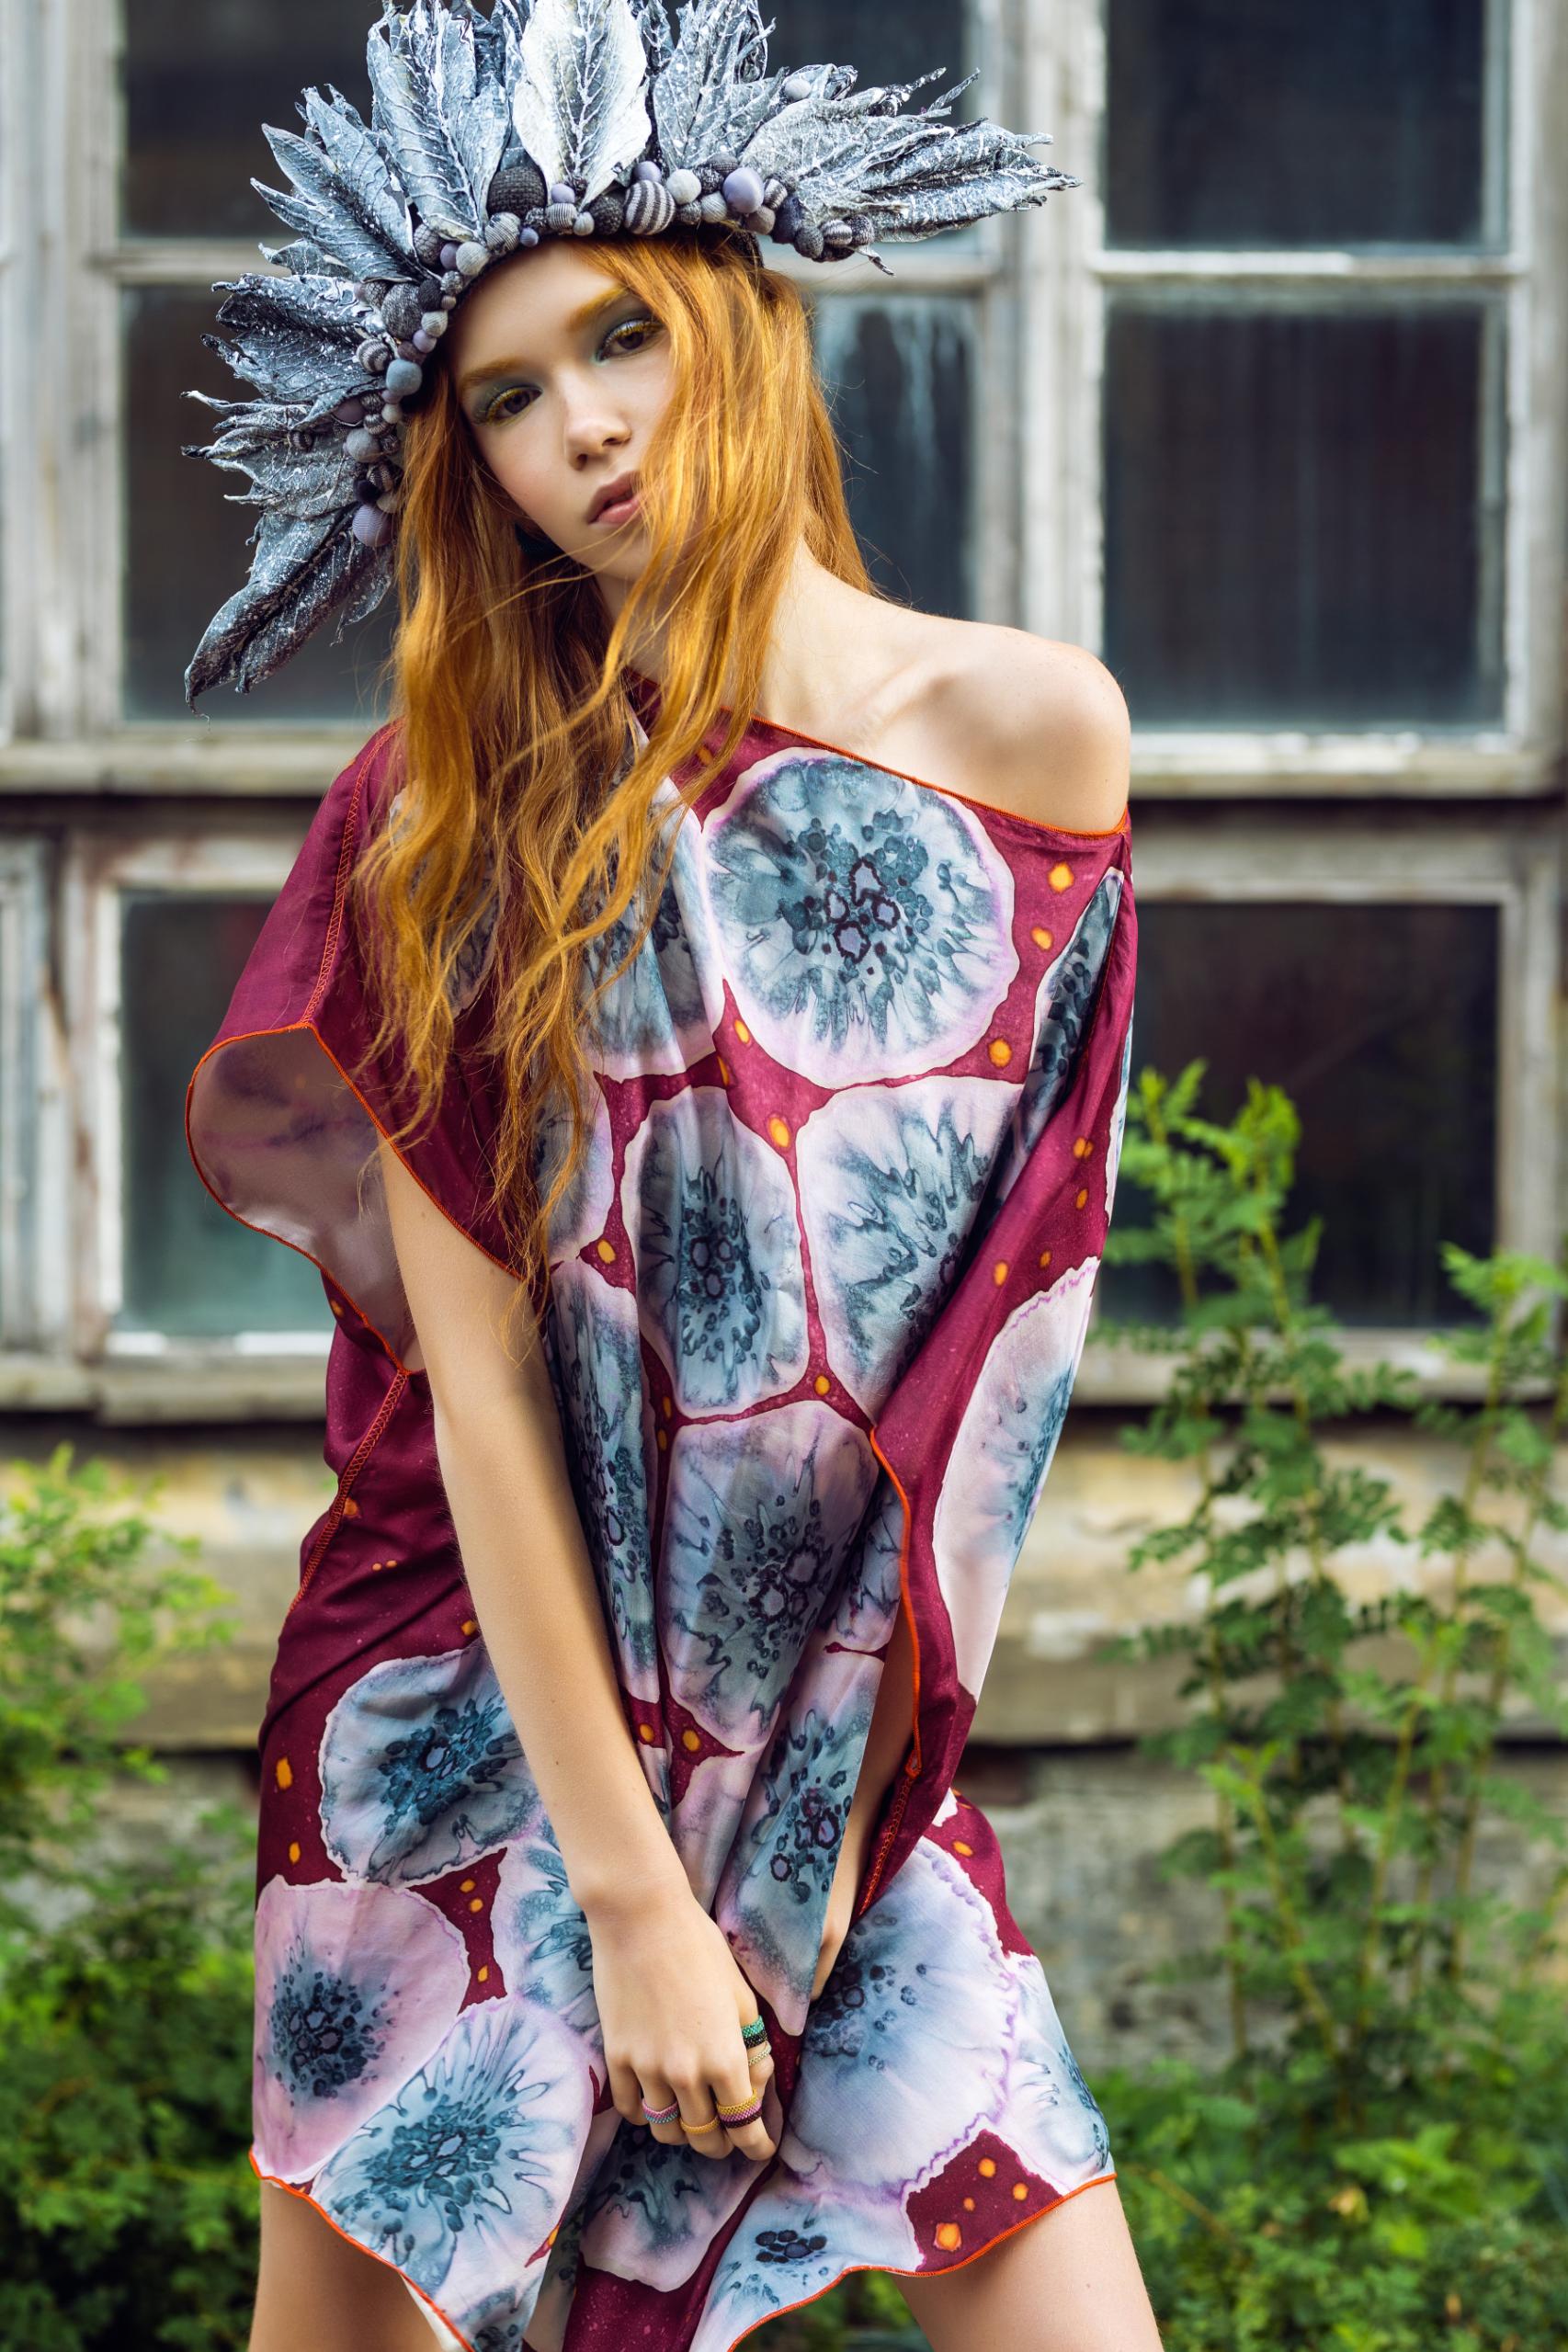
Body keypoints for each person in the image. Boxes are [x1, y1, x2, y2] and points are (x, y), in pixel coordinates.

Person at [181, 6, 1158, 2346]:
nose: (583, 430)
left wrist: (831, 1770)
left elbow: (993, 1335)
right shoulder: (448, 820)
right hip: (469, 1709)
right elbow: (482, 1392)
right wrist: (626, 1895)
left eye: (619, 338)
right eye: (505, 398)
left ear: (742, 322)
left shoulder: (1033, 738)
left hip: (823, 1722)